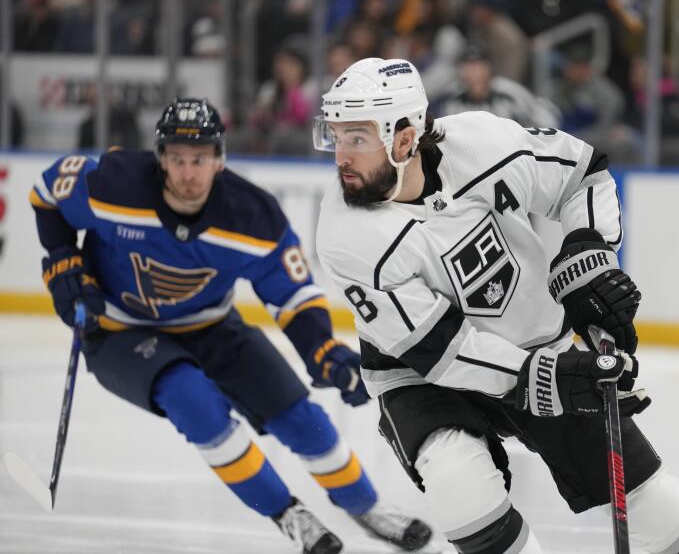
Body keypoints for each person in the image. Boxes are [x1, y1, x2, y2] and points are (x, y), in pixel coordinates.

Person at [313, 58, 679, 554]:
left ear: (406, 137)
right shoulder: (346, 233)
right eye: (335, 137)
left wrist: (591, 258)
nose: (340, 157)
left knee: (656, 506)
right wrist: (546, 374)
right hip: (421, 373)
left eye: (356, 138)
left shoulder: (480, 142)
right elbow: (442, 352)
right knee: (459, 482)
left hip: (534, 338)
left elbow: (581, 176)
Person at [29, 97, 432, 554]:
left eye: (199, 160)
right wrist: (60, 258)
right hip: (119, 331)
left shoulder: (252, 215)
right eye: (176, 160)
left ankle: (365, 507)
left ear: (219, 159)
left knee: (298, 416)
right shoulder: (114, 183)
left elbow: (294, 296)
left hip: (211, 325)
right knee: (192, 400)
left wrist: (322, 351)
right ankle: (287, 513)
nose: (187, 173)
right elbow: (46, 197)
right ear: (160, 158)